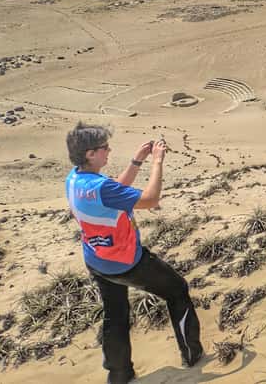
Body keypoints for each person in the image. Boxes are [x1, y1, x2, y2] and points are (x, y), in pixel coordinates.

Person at [65, 123, 203, 384]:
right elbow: (151, 199)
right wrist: (157, 162)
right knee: (177, 290)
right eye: (104, 147)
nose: (109, 150)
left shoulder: (74, 179)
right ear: (90, 154)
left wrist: (137, 161)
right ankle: (192, 355)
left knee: (115, 313)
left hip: (96, 259)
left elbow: (113, 191)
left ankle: (119, 374)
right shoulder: (101, 187)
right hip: (126, 261)